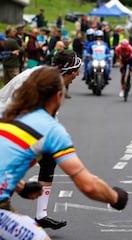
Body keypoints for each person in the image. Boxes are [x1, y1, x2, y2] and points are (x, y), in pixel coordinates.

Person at [0, 66, 128, 239]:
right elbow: (88, 186)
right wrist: (116, 198)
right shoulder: (51, 130)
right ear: (58, 96)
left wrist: (22, 188)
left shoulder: (8, 115)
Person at [0, 50, 83, 230]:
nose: (77, 74)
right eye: (75, 70)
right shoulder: (41, 82)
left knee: (48, 159)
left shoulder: (50, 80)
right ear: (67, 70)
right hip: (6, 121)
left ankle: (41, 215)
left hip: (16, 122)